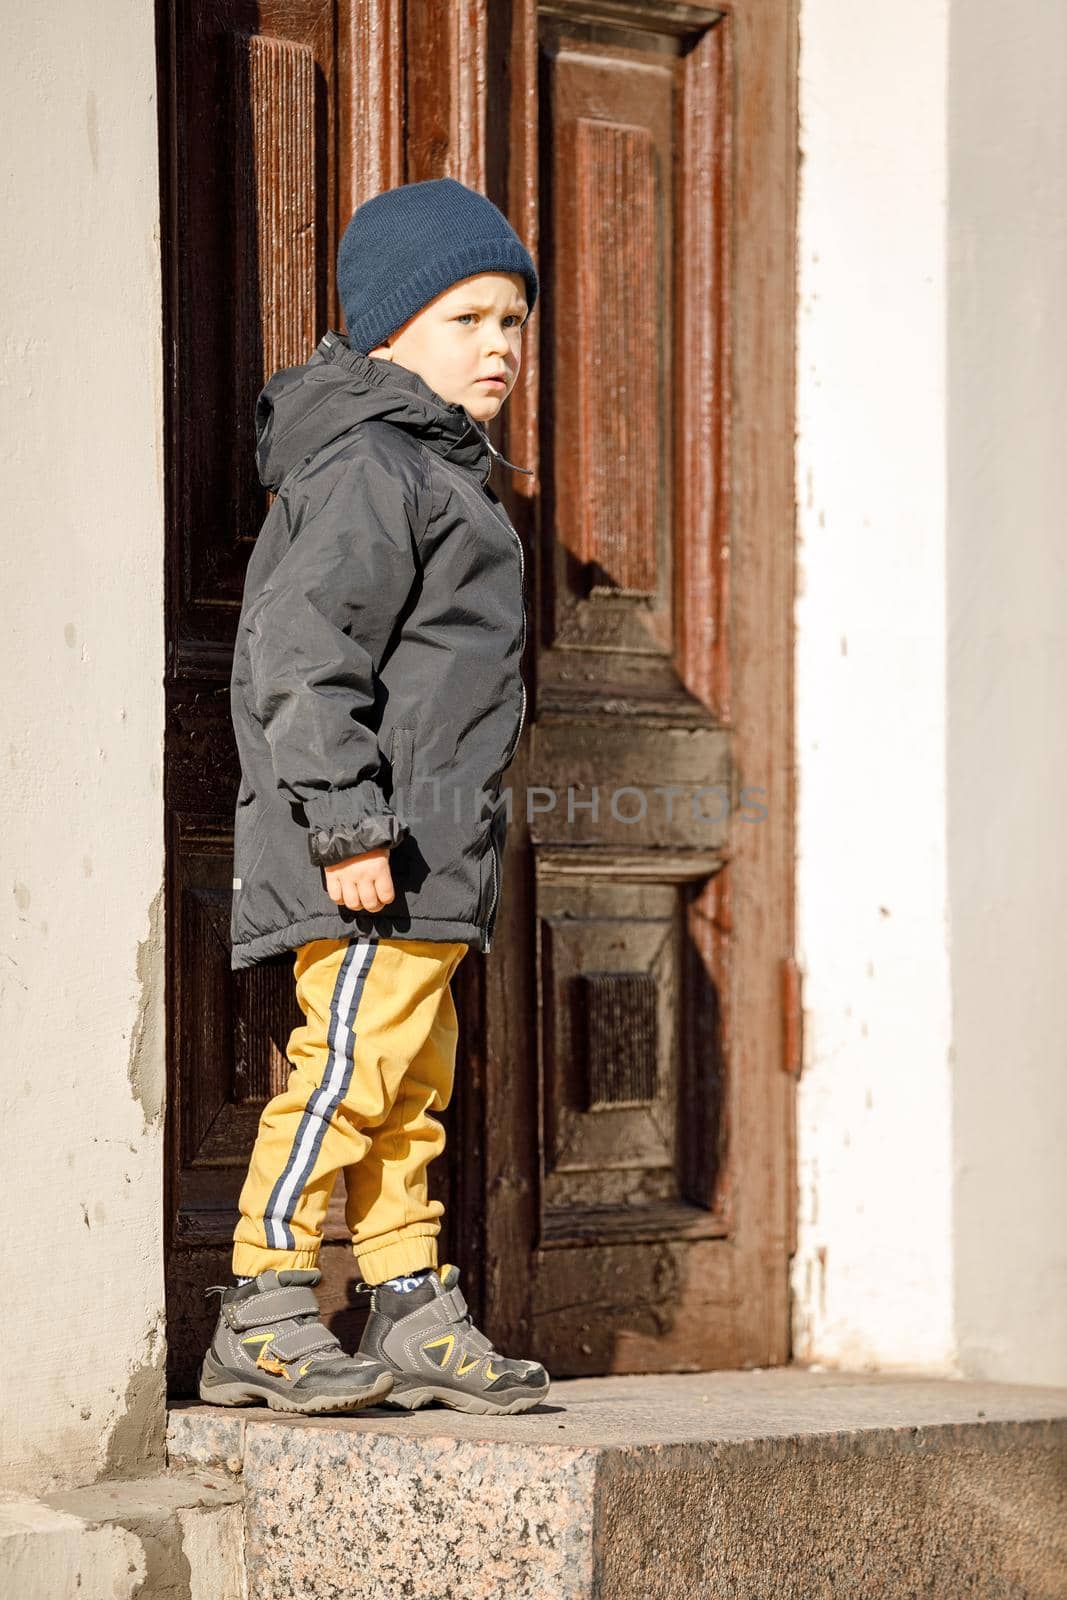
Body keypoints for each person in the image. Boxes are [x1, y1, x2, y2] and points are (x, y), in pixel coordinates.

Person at [198, 177, 549, 1417]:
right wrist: (346, 821)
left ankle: (406, 1300)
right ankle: (263, 1300)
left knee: (409, 1089)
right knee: (345, 1069)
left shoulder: (449, 473)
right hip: (366, 857)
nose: (499, 345)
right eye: (466, 319)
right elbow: (304, 657)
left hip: (434, 861)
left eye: (512, 321)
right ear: (390, 329)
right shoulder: (368, 467)